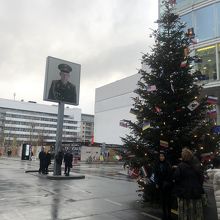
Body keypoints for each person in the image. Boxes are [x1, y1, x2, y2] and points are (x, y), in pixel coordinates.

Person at [173, 148, 204, 220]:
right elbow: (201, 179)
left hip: (184, 196)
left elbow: (176, 178)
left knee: (185, 215)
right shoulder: (197, 165)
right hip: (196, 195)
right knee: (196, 215)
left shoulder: (180, 166)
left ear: (183, 156)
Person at [154, 151, 173, 220]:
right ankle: (164, 214)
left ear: (165, 157)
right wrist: (156, 183)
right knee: (163, 200)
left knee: (168, 200)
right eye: (160, 156)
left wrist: (167, 182)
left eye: (162, 156)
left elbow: (170, 174)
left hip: (167, 185)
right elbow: (155, 174)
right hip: (160, 184)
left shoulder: (167, 164)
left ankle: (169, 214)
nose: (161, 157)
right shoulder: (157, 164)